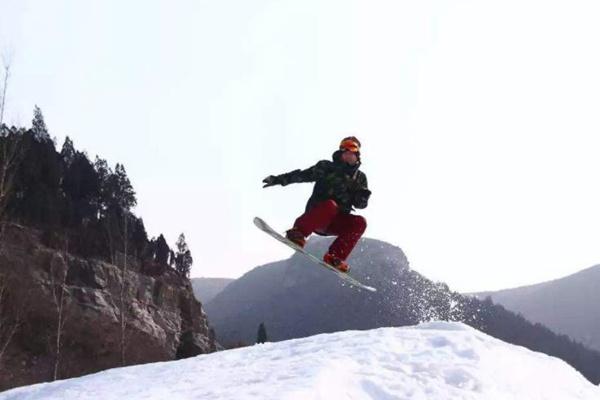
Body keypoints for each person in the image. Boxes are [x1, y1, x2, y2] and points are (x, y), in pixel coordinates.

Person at [262, 136, 371, 273]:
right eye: (346, 152)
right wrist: (278, 179)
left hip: (335, 222)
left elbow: (360, 205)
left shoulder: (360, 178)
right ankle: (297, 233)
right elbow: (303, 175)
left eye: (353, 153)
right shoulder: (327, 167)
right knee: (331, 205)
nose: (349, 155)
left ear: (357, 156)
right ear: (340, 153)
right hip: (318, 215)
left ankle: (335, 257)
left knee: (360, 222)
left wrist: (362, 198)